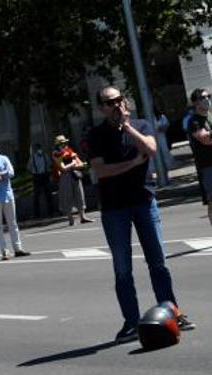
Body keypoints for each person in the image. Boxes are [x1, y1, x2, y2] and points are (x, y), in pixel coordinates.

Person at [88, 86, 195, 342]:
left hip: (145, 202)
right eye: (109, 102)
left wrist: (127, 128)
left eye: (118, 99)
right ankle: (131, 323)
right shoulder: (96, 135)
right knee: (123, 269)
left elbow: (152, 148)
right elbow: (100, 171)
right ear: (101, 108)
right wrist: (133, 164)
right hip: (115, 209)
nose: (116, 105)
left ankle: (172, 311)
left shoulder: (140, 125)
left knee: (158, 262)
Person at [52, 135, 93, 226]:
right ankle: (71, 219)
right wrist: (73, 164)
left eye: (65, 142)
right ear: (58, 144)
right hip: (65, 177)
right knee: (68, 196)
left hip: (75, 175)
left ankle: (83, 217)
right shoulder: (56, 153)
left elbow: (80, 163)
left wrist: (80, 164)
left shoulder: (69, 150)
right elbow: (63, 168)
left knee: (79, 194)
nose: (65, 144)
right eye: (62, 143)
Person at [187, 88, 212, 227]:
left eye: (208, 96)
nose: (207, 99)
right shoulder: (194, 121)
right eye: (203, 97)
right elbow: (205, 139)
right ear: (195, 102)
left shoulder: (210, 116)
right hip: (207, 166)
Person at [29, 143, 55, 218]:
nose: (38, 150)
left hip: (45, 175)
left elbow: (49, 164)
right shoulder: (32, 157)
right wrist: (34, 172)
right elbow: (29, 167)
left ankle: (51, 212)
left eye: (39, 148)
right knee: (36, 196)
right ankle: (37, 214)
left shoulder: (45, 155)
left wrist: (47, 171)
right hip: (37, 176)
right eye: (37, 149)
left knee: (48, 194)